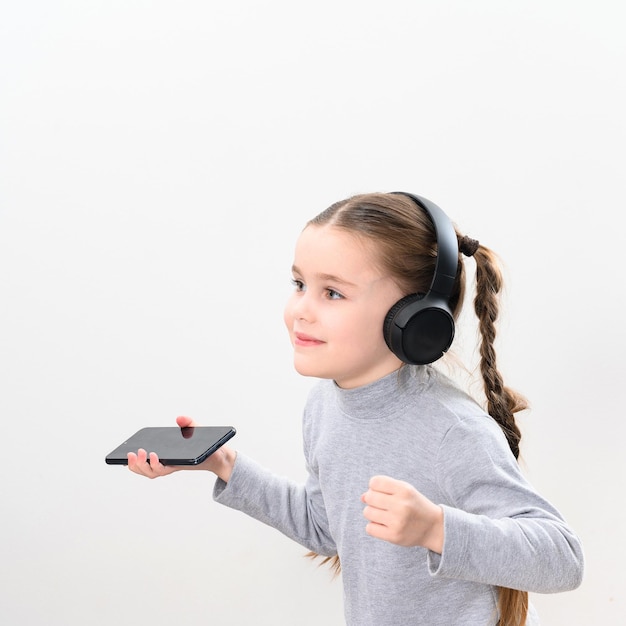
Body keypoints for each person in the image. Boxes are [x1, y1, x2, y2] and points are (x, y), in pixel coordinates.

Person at [127, 192, 584, 626]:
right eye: (299, 284)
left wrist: (436, 528)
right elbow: (327, 528)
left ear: (413, 317)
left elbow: (563, 558)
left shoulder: (451, 429)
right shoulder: (324, 406)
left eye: (333, 293)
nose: (300, 310)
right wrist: (225, 466)